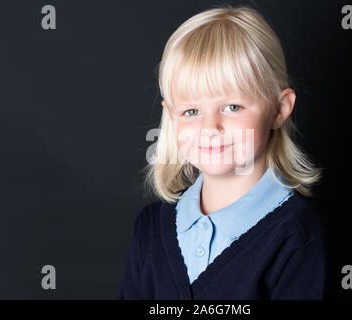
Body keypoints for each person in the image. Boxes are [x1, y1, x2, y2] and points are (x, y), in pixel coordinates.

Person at [119, 4, 329, 300]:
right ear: (170, 115)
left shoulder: (297, 237)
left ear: (279, 109)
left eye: (232, 107)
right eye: (191, 111)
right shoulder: (150, 228)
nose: (210, 127)